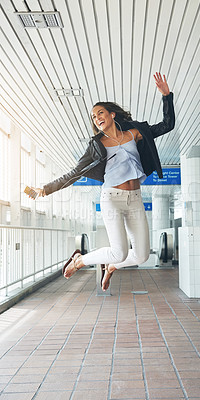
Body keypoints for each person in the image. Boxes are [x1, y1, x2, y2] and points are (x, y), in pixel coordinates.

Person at [26, 72, 175, 291]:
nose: (97, 118)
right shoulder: (97, 145)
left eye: (100, 113)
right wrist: (46, 189)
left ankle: (112, 267)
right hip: (112, 198)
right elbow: (74, 173)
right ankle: (79, 261)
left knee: (142, 255)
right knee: (120, 250)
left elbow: (167, 125)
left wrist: (166, 96)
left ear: (112, 115)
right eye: (94, 117)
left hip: (135, 199)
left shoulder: (135, 133)